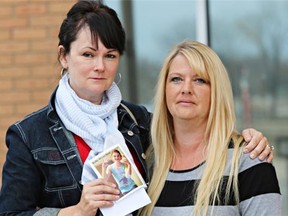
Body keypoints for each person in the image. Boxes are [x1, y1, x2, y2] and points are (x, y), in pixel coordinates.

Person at [0, 1, 273, 216]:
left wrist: (248, 139)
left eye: (110, 55)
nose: (100, 66)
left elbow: (193, 131)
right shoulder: (29, 135)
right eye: (88, 54)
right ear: (64, 56)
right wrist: (77, 211)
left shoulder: (137, 122)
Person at [139, 40, 281, 216]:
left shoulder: (249, 160)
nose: (186, 89)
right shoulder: (147, 162)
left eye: (199, 80)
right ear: (164, 89)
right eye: (176, 79)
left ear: (216, 91)